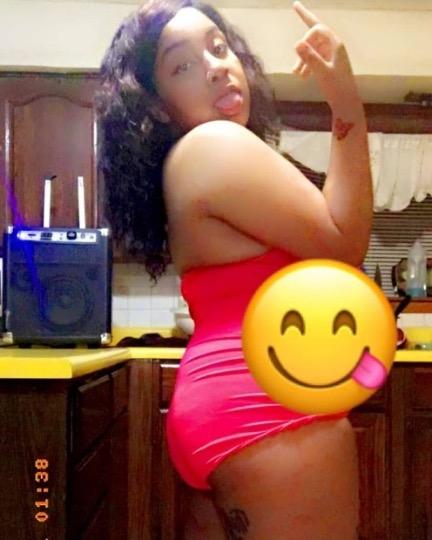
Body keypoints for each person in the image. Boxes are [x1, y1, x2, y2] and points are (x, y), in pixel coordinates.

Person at [97, 0, 373, 538]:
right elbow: (344, 247)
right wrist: (345, 101)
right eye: (182, 65)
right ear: (156, 105)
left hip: (217, 404)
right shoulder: (215, 144)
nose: (216, 67)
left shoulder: (185, 162)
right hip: (265, 407)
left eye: (219, 47)